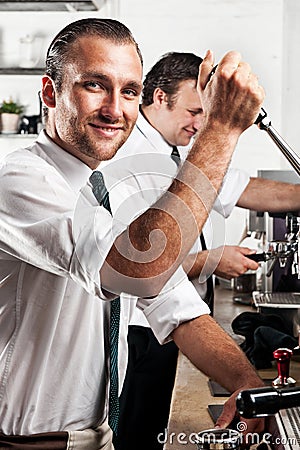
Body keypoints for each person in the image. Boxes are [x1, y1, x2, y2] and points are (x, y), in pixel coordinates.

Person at [0, 18, 267, 450]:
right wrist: (219, 128)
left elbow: (174, 301)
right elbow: (136, 270)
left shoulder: (111, 187)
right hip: (30, 444)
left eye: (128, 91)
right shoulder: (19, 181)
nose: (114, 109)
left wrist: (247, 384)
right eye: (94, 86)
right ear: (51, 93)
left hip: (102, 436)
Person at [107, 52, 300, 450]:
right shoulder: (125, 157)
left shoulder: (184, 149)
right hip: (140, 332)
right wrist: (212, 260)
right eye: (195, 111)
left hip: (180, 322)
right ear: (159, 97)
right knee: (139, 434)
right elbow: (132, 263)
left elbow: (244, 189)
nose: (200, 124)